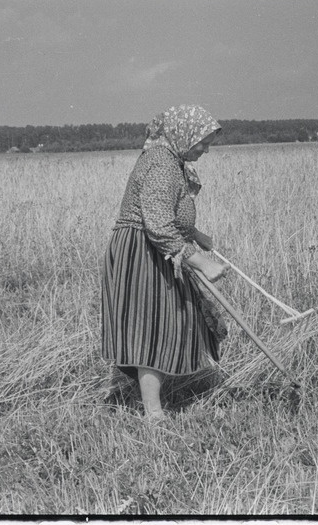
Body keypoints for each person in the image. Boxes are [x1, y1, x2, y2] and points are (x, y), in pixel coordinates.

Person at [101, 104, 230, 419]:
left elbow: (165, 211)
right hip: (143, 252)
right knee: (153, 327)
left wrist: (195, 234)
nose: (205, 149)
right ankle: (154, 414)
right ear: (185, 134)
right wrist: (201, 262)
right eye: (203, 141)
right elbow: (157, 224)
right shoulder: (161, 163)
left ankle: (161, 401)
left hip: (155, 249)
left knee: (168, 322)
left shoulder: (171, 160)